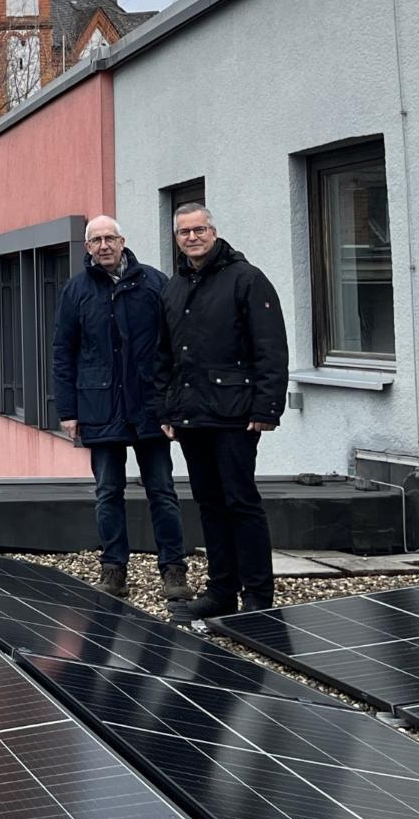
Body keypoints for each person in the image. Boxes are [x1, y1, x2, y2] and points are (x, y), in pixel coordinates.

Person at [155, 202, 289, 619]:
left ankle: (257, 596)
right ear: (176, 238)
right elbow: (164, 356)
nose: (192, 238)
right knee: (209, 504)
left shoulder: (246, 279)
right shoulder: (174, 287)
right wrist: (167, 410)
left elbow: (270, 348)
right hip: (192, 417)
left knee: (241, 502)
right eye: (184, 232)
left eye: (199, 230)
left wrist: (267, 407)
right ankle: (221, 591)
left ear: (213, 231)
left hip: (236, 414)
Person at [54, 216, 189, 601]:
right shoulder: (76, 290)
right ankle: (113, 570)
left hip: (149, 406)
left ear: (122, 240)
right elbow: (63, 352)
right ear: (87, 247)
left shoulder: (153, 283)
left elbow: (172, 348)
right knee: (107, 492)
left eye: (109, 237)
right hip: (99, 406)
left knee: (162, 490)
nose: (103, 246)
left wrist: (173, 406)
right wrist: (68, 410)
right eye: (95, 240)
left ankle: (174, 570)